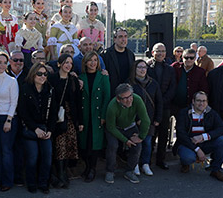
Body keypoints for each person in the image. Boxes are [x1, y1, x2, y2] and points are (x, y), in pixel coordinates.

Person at [18, 61, 58, 193]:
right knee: (32, 157)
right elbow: (23, 112)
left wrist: (50, 130)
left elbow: (53, 113)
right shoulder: (25, 89)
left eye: (45, 74)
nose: (42, 76)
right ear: (33, 74)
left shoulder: (50, 90)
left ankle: (43, 183)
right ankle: (31, 183)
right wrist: (35, 128)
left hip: (46, 127)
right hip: (31, 128)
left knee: (47, 156)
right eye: (39, 74)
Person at [176, 91, 223, 182]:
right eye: (198, 101)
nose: (201, 103)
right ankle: (185, 163)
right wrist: (197, 150)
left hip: (205, 142)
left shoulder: (211, 113)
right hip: (187, 144)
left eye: (204, 101)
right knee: (188, 157)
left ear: (207, 102)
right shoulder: (184, 113)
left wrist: (204, 137)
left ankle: (216, 170)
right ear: (193, 101)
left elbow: (222, 129)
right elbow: (181, 134)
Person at [105, 83, 150, 185]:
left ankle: (130, 170)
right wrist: (126, 141)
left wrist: (141, 137)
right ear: (118, 99)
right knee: (113, 145)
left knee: (137, 146)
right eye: (125, 98)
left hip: (130, 125)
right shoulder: (112, 106)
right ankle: (110, 170)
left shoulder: (137, 99)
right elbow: (110, 127)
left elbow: (145, 120)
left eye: (130, 96)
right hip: (115, 128)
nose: (129, 100)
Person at [49, 51, 83, 187]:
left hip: (70, 117)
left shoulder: (74, 80)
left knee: (69, 145)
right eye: (66, 62)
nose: (68, 65)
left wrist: (80, 122)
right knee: (58, 145)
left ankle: (64, 172)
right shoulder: (52, 79)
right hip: (56, 117)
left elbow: (78, 102)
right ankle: (60, 173)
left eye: (70, 63)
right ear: (59, 64)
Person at [78, 50, 110, 183]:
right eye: (90, 60)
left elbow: (106, 97)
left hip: (97, 115)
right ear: (85, 62)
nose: (92, 63)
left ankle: (92, 169)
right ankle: (87, 166)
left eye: (95, 60)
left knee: (94, 143)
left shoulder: (103, 76)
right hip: (85, 114)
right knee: (84, 142)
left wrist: (103, 115)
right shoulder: (80, 77)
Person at [0, 51, 19, 191]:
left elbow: (14, 102)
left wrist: (9, 120)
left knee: (6, 151)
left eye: (4, 62)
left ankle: (7, 181)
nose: (2, 65)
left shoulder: (12, 81)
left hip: (8, 118)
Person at [147, 42, 176, 169]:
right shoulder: (147, 68)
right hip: (150, 106)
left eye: (163, 51)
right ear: (153, 52)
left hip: (165, 106)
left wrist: (162, 101)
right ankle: (147, 160)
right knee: (150, 134)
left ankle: (160, 159)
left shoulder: (170, 69)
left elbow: (172, 88)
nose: (160, 53)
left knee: (164, 133)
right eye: (158, 51)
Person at [131, 57, 162, 176]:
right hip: (134, 121)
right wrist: (136, 119)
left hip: (149, 120)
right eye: (139, 67)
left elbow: (159, 102)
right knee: (136, 143)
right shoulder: (130, 83)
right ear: (135, 69)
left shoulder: (153, 83)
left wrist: (158, 119)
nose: (142, 70)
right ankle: (135, 164)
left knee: (148, 142)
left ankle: (145, 163)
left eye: (144, 67)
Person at [103, 29, 136, 96]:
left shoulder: (130, 54)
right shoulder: (106, 54)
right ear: (115, 39)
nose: (123, 39)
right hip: (112, 92)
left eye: (125, 36)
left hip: (127, 93)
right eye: (120, 37)